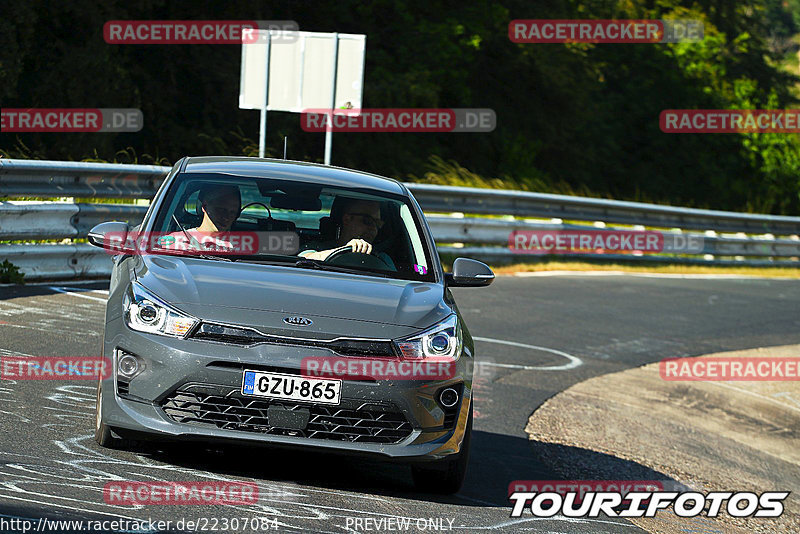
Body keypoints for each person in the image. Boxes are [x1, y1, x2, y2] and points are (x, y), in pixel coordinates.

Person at [299, 197, 396, 269]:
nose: (373, 229)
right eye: (368, 221)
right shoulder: (317, 248)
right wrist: (345, 250)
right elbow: (303, 260)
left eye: (378, 223)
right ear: (347, 219)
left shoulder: (382, 259)